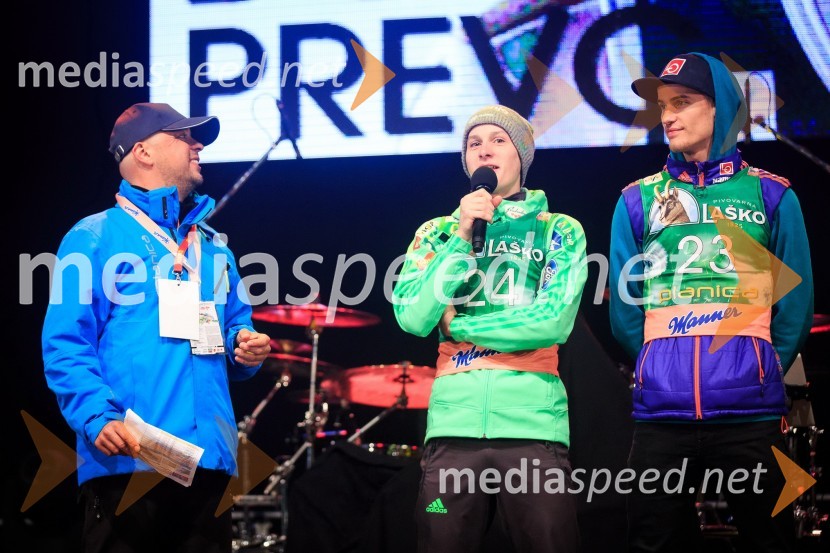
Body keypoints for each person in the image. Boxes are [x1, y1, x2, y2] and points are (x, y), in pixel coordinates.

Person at [41, 102, 272, 552]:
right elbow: (66, 343)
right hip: (130, 459)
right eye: (183, 137)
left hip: (209, 465)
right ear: (143, 152)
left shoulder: (214, 249)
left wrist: (243, 346)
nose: (197, 145)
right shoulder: (94, 237)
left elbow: (234, 328)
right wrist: (96, 415)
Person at [609, 53, 814, 552]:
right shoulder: (636, 200)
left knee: (771, 543)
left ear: (720, 106)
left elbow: (796, 305)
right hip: (662, 418)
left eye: (682, 102)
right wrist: (660, 368)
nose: (668, 116)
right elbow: (624, 312)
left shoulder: (772, 196)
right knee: (651, 545)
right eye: (663, 106)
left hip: (751, 415)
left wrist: (759, 369)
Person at [393, 105, 588, 553]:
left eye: (499, 140)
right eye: (474, 143)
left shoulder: (559, 229)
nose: (484, 150)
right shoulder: (437, 232)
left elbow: (552, 321)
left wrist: (460, 323)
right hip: (452, 430)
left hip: (533, 427)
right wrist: (462, 237)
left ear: (522, 155)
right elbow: (413, 316)